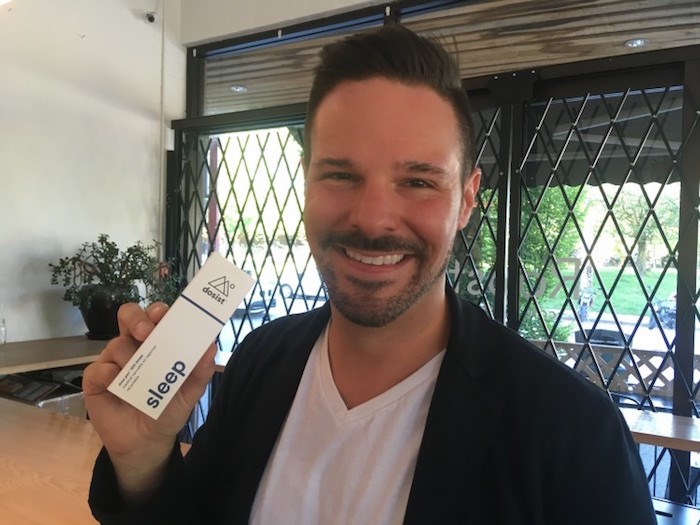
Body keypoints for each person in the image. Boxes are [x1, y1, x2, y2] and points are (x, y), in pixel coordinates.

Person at [85, 24, 656, 524]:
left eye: (418, 181)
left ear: (466, 199)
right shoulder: (262, 363)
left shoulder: (573, 436)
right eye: (340, 174)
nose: (373, 219)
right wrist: (141, 462)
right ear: (306, 181)